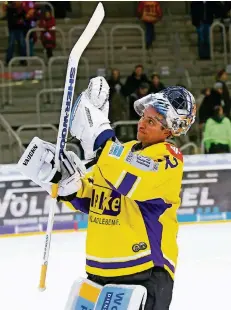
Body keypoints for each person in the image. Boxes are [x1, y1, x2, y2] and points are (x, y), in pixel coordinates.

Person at [18, 80, 196, 310]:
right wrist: (69, 187)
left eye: (151, 121)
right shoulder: (122, 153)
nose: (142, 123)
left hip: (142, 272)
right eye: (144, 116)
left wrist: (101, 135)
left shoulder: (169, 159)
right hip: (98, 273)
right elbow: (97, 198)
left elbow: (133, 178)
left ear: (169, 130)